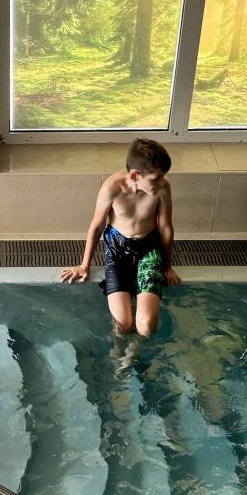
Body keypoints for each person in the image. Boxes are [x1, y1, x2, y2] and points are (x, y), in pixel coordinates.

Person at [60, 138, 181, 342]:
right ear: (135, 175)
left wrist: (168, 267)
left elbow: (166, 228)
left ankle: (134, 354)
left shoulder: (162, 188)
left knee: (146, 324)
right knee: (123, 324)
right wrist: (84, 265)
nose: (162, 181)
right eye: (156, 178)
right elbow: (97, 225)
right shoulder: (112, 188)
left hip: (149, 249)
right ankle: (119, 356)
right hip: (117, 250)